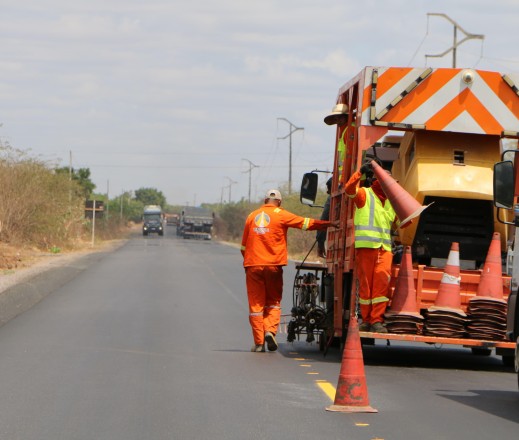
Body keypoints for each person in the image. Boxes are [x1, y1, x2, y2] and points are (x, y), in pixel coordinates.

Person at [241, 189, 339, 352]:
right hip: (273, 266)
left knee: (256, 305)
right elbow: (306, 223)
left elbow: (243, 247)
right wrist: (328, 224)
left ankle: (259, 343)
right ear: (279, 202)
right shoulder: (281, 214)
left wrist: (249, 264)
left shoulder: (252, 216)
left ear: (265, 200)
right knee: (273, 301)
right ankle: (270, 331)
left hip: (253, 266)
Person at [345, 162, 398, 333]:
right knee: (366, 286)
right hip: (366, 247)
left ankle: (376, 320)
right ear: (377, 180)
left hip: (385, 249)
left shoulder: (393, 201)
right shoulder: (364, 195)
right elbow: (349, 189)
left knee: (381, 286)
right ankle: (366, 320)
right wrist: (359, 172)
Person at [316, 177, 333, 258]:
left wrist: (320, 243)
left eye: (328, 191)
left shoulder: (333, 198)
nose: (327, 193)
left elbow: (324, 220)